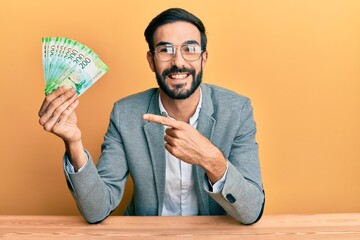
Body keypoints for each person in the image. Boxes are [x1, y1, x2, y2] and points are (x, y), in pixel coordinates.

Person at [38, 8, 265, 224]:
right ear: (151, 60)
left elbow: (252, 210)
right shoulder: (126, 113)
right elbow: (97, 210)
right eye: (165, 50)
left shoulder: (237, 110)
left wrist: (210, 158)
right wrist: (74, 143)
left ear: (204, 58)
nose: (178, 62)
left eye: (190, 49)